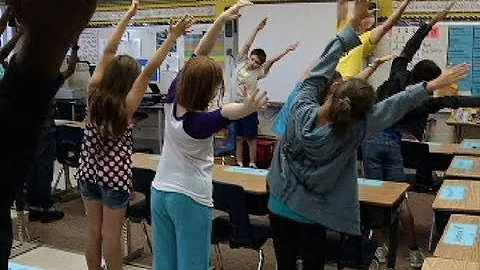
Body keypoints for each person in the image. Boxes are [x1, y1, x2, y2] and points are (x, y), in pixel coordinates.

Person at [265, 0, 470, 269]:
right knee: (313, 264)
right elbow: (394, 105)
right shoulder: (354, 130)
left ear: (333, 89)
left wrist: (351, 25)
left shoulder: (300, 106)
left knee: (284, 264)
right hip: (313, 213)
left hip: (278, 202)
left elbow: (325, 61)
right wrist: (431, 86)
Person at [150, 1, 269, 269]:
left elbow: (200, 56)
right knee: (193, 264)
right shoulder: (198, 123)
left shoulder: (172, 101)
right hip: (189, 198)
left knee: (165, 263)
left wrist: (222, 19)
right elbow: (229, 111)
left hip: (160, 191)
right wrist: (249, 106)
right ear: (210, 89)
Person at [75, 1, 193, 269]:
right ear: (130, 80)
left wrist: (127, 16)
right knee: (111, 236)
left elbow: (109, 49)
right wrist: (173, 37)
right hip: (114, 178)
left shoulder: (94, 91)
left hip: (87, 172)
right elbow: (151, 68)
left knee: (93, 231)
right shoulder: (126, 104)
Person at [361, 3, 480, 268]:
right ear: (429, 82)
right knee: (399, 198)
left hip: (369, 141)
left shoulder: (397, 72)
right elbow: (458, 100)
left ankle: (379, 250)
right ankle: (414, 252)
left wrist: (430, 22)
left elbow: (410, 46)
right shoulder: (423, 101)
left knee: (376, 198)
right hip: (394, 146)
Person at [0, 0, 97, 268]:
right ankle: (39, 204)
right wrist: (44, 34)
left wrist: (32, 32)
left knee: (35, 166)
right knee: (38, 167)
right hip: (34, 121)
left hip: (32, 119)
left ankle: (38, 203)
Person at [271, 54, 393, 137]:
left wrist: (374, 66)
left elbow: (351, 88)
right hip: (287, 140)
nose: (342, 89)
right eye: (339, 87)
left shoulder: (305, 91)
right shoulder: (309, 104)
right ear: (332, 89)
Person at [232, 17, 298, 168]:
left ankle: (253, 163)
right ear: (249, 58)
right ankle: (239, 162)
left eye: (257, 63)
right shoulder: (240, 62)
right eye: (253, 60)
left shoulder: (258, 72)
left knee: (251, 137)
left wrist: (286, 51)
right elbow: (248, 44)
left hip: (249, 108)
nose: (254, 64)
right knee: (239, 138)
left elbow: (272, 61)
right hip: (236, 106)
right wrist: (257, 29)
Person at [26, 43, 80, 223]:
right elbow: (71, 69)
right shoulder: (48, 79)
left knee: (32, 169)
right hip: (44, 131)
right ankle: (45, 206)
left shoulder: (24, 77)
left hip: (28, 131)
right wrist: (74, 47)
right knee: (44, 169)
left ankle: (33, 206)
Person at [336, 0, 412, 78]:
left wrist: (404, 4)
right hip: (333, 80)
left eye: (372, 16)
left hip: (350, 84)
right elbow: (342, 3)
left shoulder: (365, 38)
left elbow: (386, 27)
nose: (369, 18)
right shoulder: (345, 27)